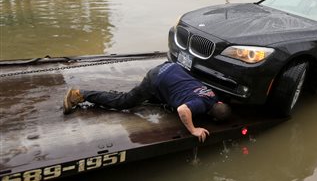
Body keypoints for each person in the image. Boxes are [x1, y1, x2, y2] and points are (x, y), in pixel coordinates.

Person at [63, 61, 231, 142]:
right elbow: (182, 110)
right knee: (125, 102)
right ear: (213, 116)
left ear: (221, 104)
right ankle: (79, 95)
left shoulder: (212, 95)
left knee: (152, 100)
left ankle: (128, 94)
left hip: (169, 67)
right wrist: (193, 129)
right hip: (156, 79)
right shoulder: (202, 105)